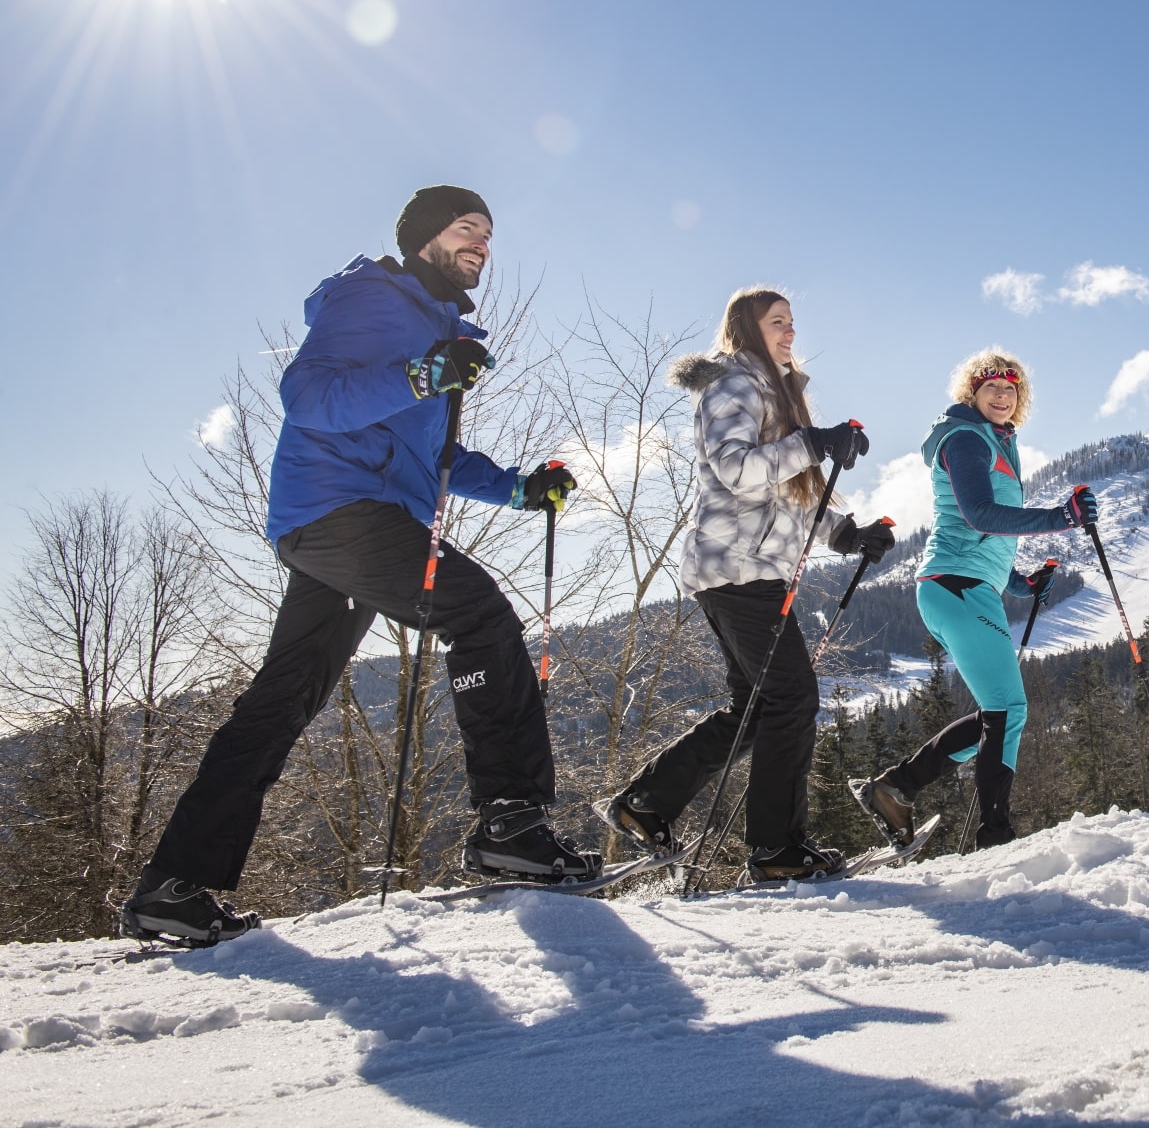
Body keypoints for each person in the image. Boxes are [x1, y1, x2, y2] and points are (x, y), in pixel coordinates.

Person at [121, 186, 598, 947]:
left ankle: (172, 888)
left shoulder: (439, 329)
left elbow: (434, 458)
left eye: (489, 232)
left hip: (344, 524)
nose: (482, 242)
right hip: (341, 510)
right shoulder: (371, 299)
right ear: (423, 239)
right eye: (466, 227)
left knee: (281, 699)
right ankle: (511, 821)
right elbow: (306, 395)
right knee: (478, 614)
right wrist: (422, 373)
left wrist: (520, 487)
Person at [601, 286, 894, 882]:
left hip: (749, 568)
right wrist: (813, 442)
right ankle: (777, 849)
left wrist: (849, 534)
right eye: (777, 322)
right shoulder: (733, 383)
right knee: (792, 697)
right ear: (747, 329)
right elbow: (735, 469)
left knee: (757, 708)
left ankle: (646, 804)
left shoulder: (779, 395)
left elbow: (794, 492)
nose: (790, 333)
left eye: (792, 323)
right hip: (738, 568)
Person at [850, 349, 1094, 851]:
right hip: (955, 586)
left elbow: (985, 542)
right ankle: (995, 838)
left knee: (997, 712)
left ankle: (896, 787)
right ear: (973, 392)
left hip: (962, 586)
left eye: (1011, 388)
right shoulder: (964, 439)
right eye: (992, 387)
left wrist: (1025, 585)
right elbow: (982, 515)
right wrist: (1062, 516)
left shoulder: (996, 442)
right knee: (1008, 710)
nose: (1002, 395)